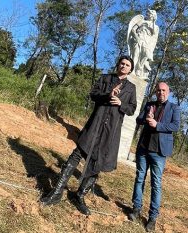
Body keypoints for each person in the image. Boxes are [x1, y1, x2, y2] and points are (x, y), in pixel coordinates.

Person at [40, 55, 137, 216]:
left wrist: (121, 104)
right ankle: (57, 192)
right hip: (95, 124)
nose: (124, 66)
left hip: (110, 131)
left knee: (96, 163)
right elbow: (93, 94)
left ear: (130, 69)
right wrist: (108, 94)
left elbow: (132, 109)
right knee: (76, 154)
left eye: (127, 65)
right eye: (122, 63)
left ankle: (79, 196)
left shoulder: (131, 88)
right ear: (118, 65)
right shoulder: (106, 78)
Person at [128, 82, 180, 231]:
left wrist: (157, 125)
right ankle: (136, 209)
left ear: (168, 92)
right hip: (143, 149)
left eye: (163, 90)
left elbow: (175, 126)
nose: (161, 93)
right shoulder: (149, 104)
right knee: (139, 178)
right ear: (156, 92)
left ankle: (152, 217)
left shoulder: (174, 108)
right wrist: (146, 119)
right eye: (158, 90)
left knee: (156, 184)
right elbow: (138, 120)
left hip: (159, 152)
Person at [127, 9, 159, 78]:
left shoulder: (156, 27)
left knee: (146, 55)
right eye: (148, 13)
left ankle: (139, 68)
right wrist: (137, 37)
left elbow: (154, 34)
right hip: (139, 39)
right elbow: (133, 29)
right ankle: (132, 70)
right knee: (135, 55)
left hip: (147, 42)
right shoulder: (142, 21)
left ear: (153, 16)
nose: (148, 14)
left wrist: (153, 22)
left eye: (150, 14)